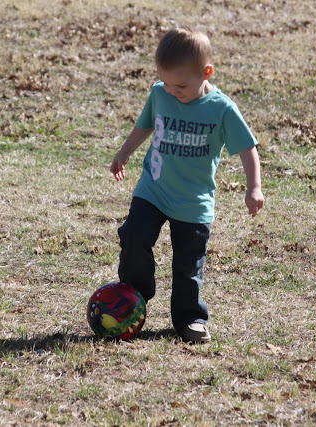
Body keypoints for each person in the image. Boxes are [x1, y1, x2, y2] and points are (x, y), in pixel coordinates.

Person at [110, 26, 264, 342]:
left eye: (180, 85)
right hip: (153, 189)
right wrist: (124, 152)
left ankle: (189, 318)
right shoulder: (160, 93)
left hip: (193, 201)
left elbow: (247, 148)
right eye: (165, 82)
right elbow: (145, 125)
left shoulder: (221, 109)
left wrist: (254, 188)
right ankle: (133, 297)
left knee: (187, 266)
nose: (172, 91)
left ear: (206, 72)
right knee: (134, 236)